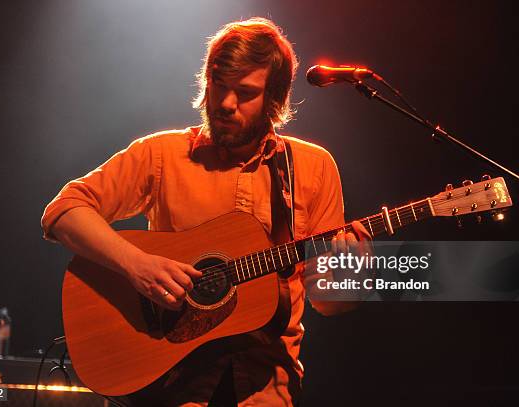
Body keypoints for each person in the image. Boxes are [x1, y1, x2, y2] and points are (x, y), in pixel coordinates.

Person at [41, 17, 369, 407]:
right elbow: (62, 212)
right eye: (219, 85)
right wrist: (137, 266)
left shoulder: (313, 168)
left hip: (265, 388)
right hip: (171, 380)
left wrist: (352, 277)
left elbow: (328, 302)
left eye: (245, 93)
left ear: (274, 100)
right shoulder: (161, 155)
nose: (227, 104)